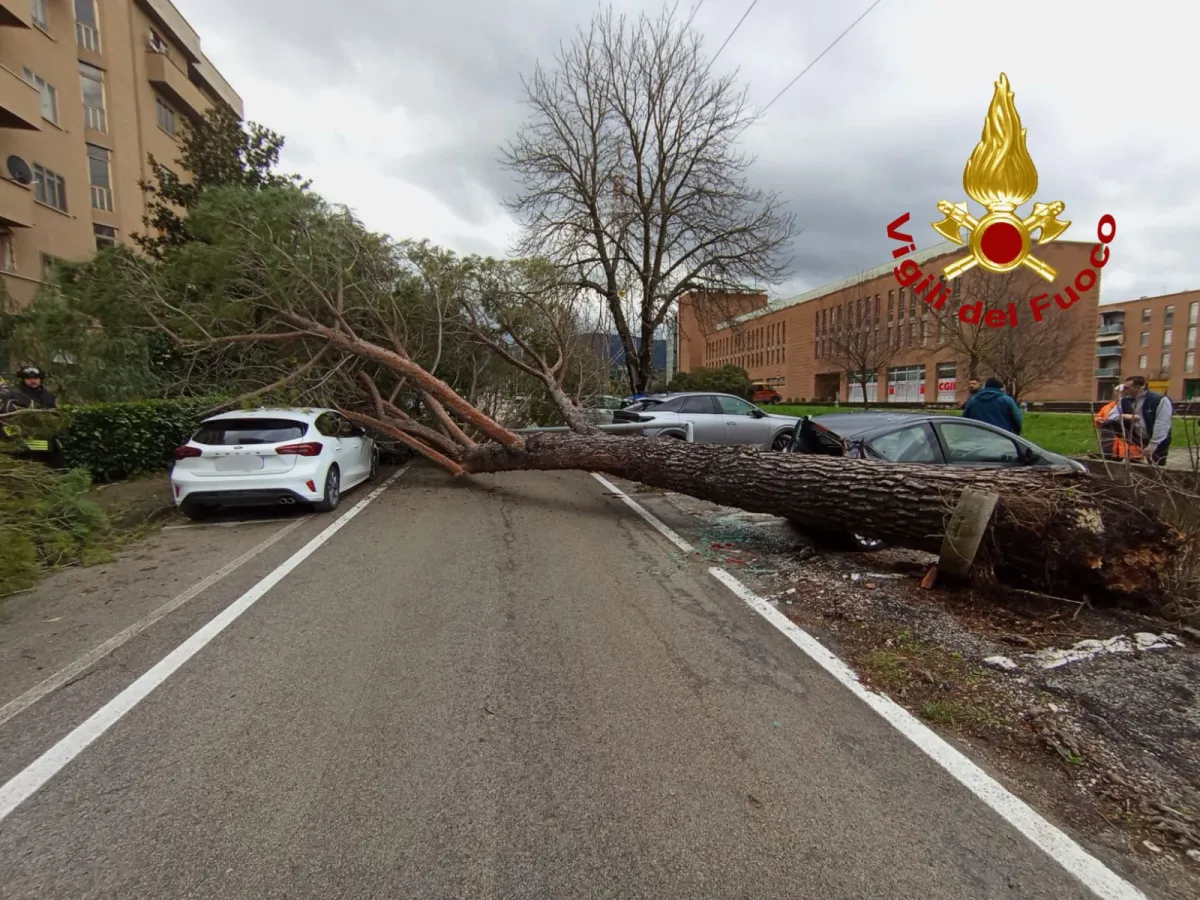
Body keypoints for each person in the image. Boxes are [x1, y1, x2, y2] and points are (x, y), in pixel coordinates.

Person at [1105, 375, 1172, 466]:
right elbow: (1111, 415)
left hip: (1157, 439)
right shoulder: (1124, 400)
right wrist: (1124, 416)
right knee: (1108, 423)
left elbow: (1162, 424)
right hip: (1136, 436)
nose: (1123, 390)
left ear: (1139, 387)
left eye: (1126, 387)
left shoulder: (1159, 400)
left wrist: (1152, 445)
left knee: (1156, 465)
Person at [1094, 384, 1143, 461]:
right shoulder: (1108, 407)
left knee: (1133, 466)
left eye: (1122, 392)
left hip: (1129, 446)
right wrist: (1099, 420)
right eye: (1117, 392)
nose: (1119, 394)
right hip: (1111, 445)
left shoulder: (1134, 405)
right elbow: (1098, 421)